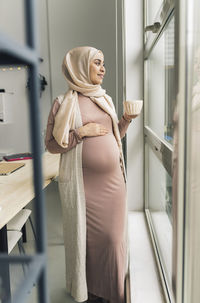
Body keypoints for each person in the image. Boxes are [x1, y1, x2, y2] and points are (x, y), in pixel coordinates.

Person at [45, 46, 138, 303]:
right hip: (84, 187)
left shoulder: (104, 98)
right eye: (97, 63)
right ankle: (96, 292)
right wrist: (80, 134)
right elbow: (51, 145)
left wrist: (126, 120)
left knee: (114, 239)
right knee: (89, 243)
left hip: (113, 184)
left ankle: (116, 293)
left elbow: (114, 135)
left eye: (103, 63)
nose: (103, 68)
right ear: (80, 66)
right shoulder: (63, 104)